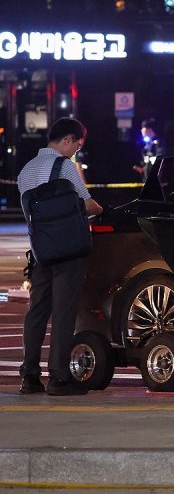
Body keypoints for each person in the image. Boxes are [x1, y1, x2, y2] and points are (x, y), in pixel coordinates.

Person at [16, 118, 103, 396]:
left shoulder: (25, 171)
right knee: (64, 313)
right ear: (67, 140)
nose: (77, 149)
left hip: (41, 253)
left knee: (37, 312)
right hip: (68, 252)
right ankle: (59, 378)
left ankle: (29, 377)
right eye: (77, 144)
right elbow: (87, 205)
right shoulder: (64, 166)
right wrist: (101, 209)